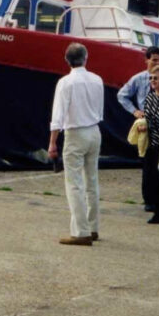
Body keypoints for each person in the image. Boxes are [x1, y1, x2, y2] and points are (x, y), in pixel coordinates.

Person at [48, 43, 104, 246]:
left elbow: (58, 116)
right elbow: (99, 109)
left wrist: (53, 142)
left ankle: (81, 231)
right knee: (92, 180)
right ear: (86, 58)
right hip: (94, 130)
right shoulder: (97, 80)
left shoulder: (65, 82)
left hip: (76, 133)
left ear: (67, 60)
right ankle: (93, 226)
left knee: (74, 183)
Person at [117, 46, 159, 210]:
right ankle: (149, 200)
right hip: (146, 125)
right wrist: (135, 111)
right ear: (147, 60)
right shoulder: (138, 79)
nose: (157, 62)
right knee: (148, 164)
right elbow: (122, 95)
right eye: (154, 60)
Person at [137, 65, 159, 224]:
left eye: (155, 78)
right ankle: (155, 206)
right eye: (151, 78)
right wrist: (143, 125)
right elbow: (148, 116)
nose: (152, 81)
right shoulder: (150, 97)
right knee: (150, 175)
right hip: (150, 141)